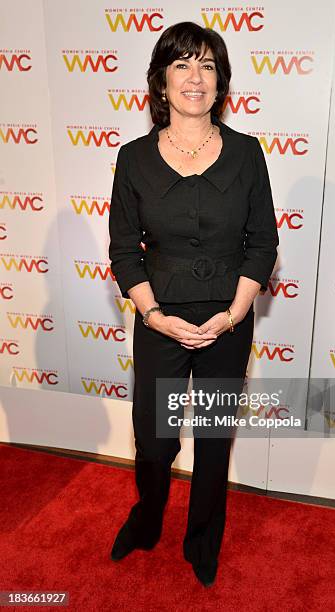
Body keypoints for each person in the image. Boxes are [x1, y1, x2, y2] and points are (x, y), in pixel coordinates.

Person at [108, 21, 279, 587]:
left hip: (228, 320)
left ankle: (203, 537)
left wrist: (231, 315)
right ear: (160, 81)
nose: (195, 77)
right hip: (160, 318)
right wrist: (155, 315)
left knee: (212, 439)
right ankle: (148, 517)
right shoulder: (132, 159)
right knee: (154, 442)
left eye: (207, 65)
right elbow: (123, 250)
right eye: (182, 64)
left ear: (221, 82)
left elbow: (263, 243)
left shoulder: (248, 154)